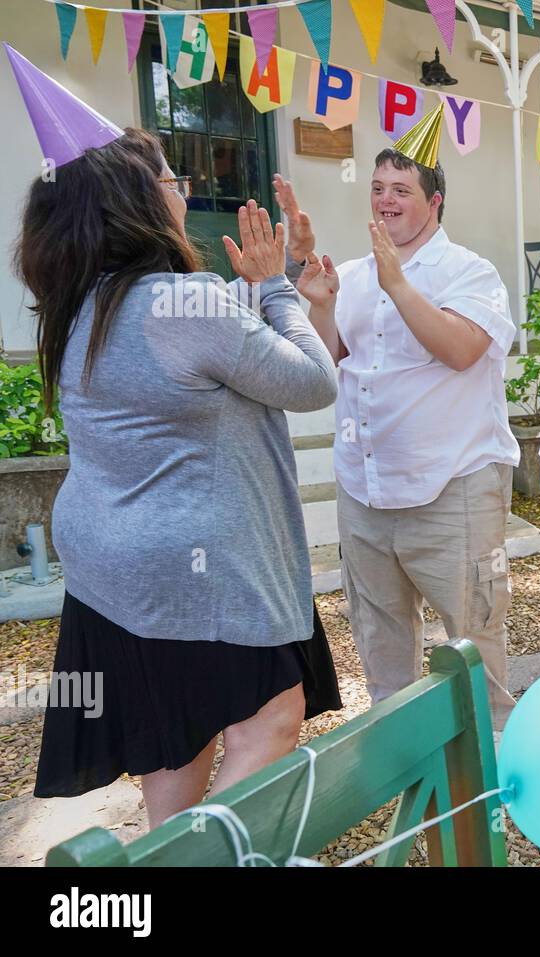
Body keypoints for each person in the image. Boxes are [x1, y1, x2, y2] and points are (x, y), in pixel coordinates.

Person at [8, 44, 340, 827]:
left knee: (173, 737)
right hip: (198, 571)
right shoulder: (179, 303)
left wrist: (271, 293)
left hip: (109, 567)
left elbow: (216, 357)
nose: (182, 189)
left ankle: (166, 852)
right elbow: (312, 383)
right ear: (138, 200)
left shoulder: (80, 305)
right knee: (272, 718)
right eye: (169, 177)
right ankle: (191, 861)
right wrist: (276, 285)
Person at [274, 103, 520, 728]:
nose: (385, 201)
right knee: (380, 646)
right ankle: (404, 762)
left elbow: (462, 350)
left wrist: (400, 286)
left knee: (474, 640)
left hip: (453, 486)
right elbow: (327, 362)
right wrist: (322, 302)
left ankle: (488, 776)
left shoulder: (472, 271)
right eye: (378, 188)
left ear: (433, 203)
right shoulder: (352, 274)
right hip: (365, 490)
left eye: (401, 190)